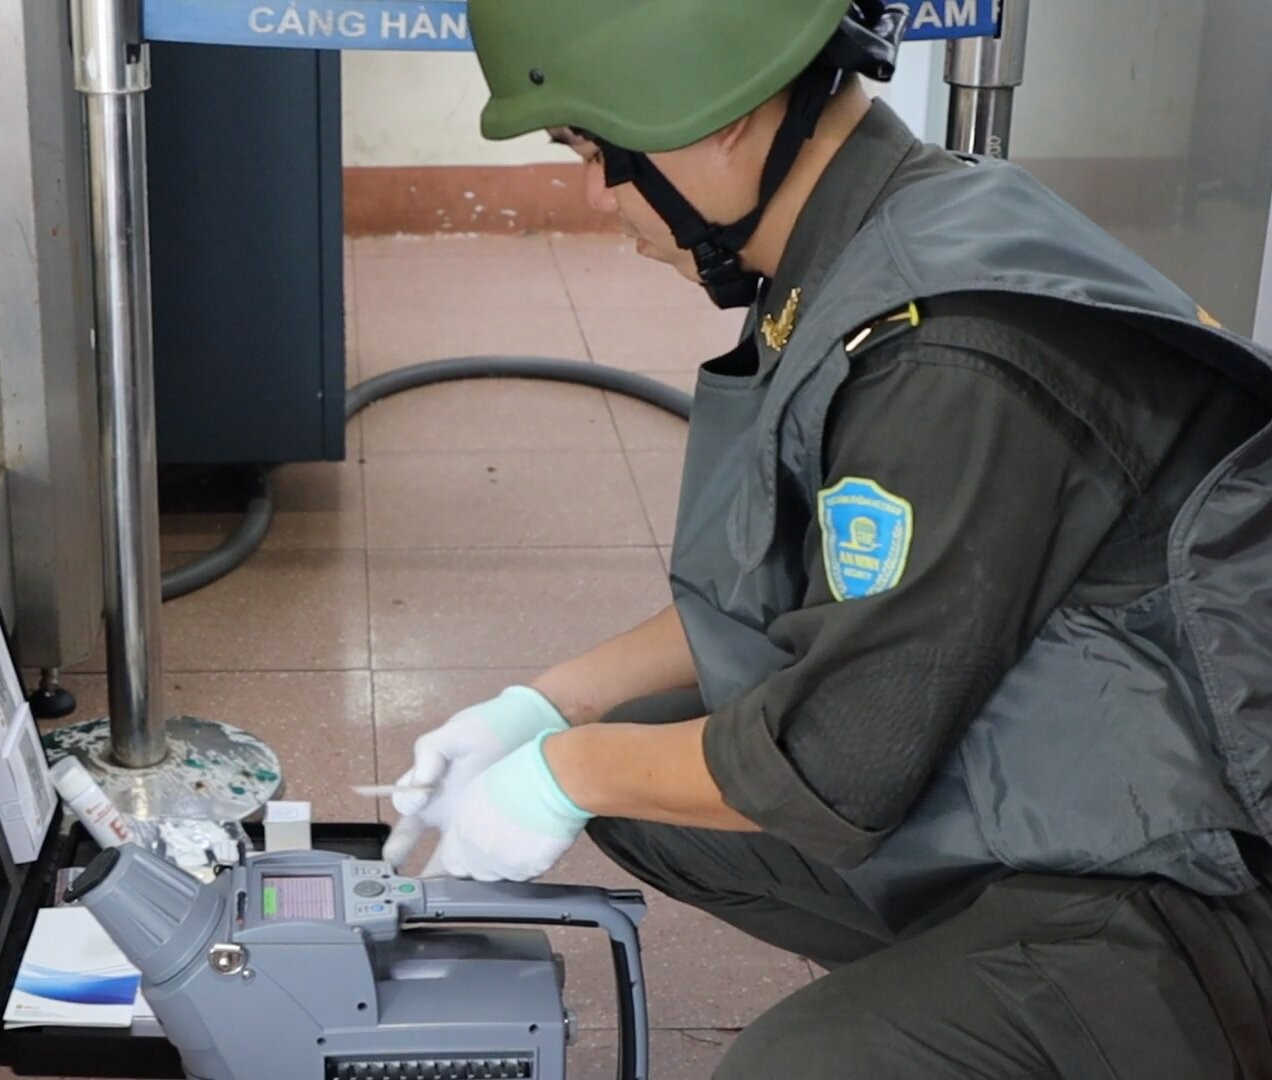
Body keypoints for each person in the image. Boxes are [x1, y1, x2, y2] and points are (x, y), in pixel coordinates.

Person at [381, 1, 1272, 1075]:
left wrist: (566, 771)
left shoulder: (947, 354)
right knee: (645, 757)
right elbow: (781, 591)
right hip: (1082, 756)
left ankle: (1055, 1005)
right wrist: (552, 706)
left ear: (715, 116)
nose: (596, 196)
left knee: (795, 1065)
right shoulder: (876, 234)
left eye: (593, 151)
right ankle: (982, 980)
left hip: (1202, 883)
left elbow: (835, 765)